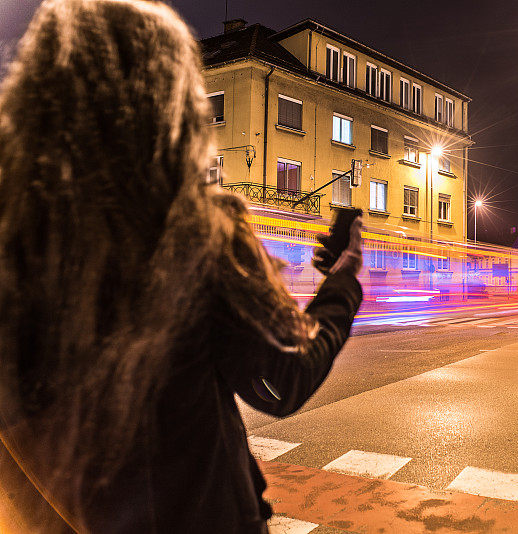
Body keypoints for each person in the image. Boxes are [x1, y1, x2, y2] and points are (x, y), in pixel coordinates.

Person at [0, 0, 363, 532]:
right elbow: (284, 379)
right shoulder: (190, 234)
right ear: (166, 101)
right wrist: (344, 282)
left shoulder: (15, 242)